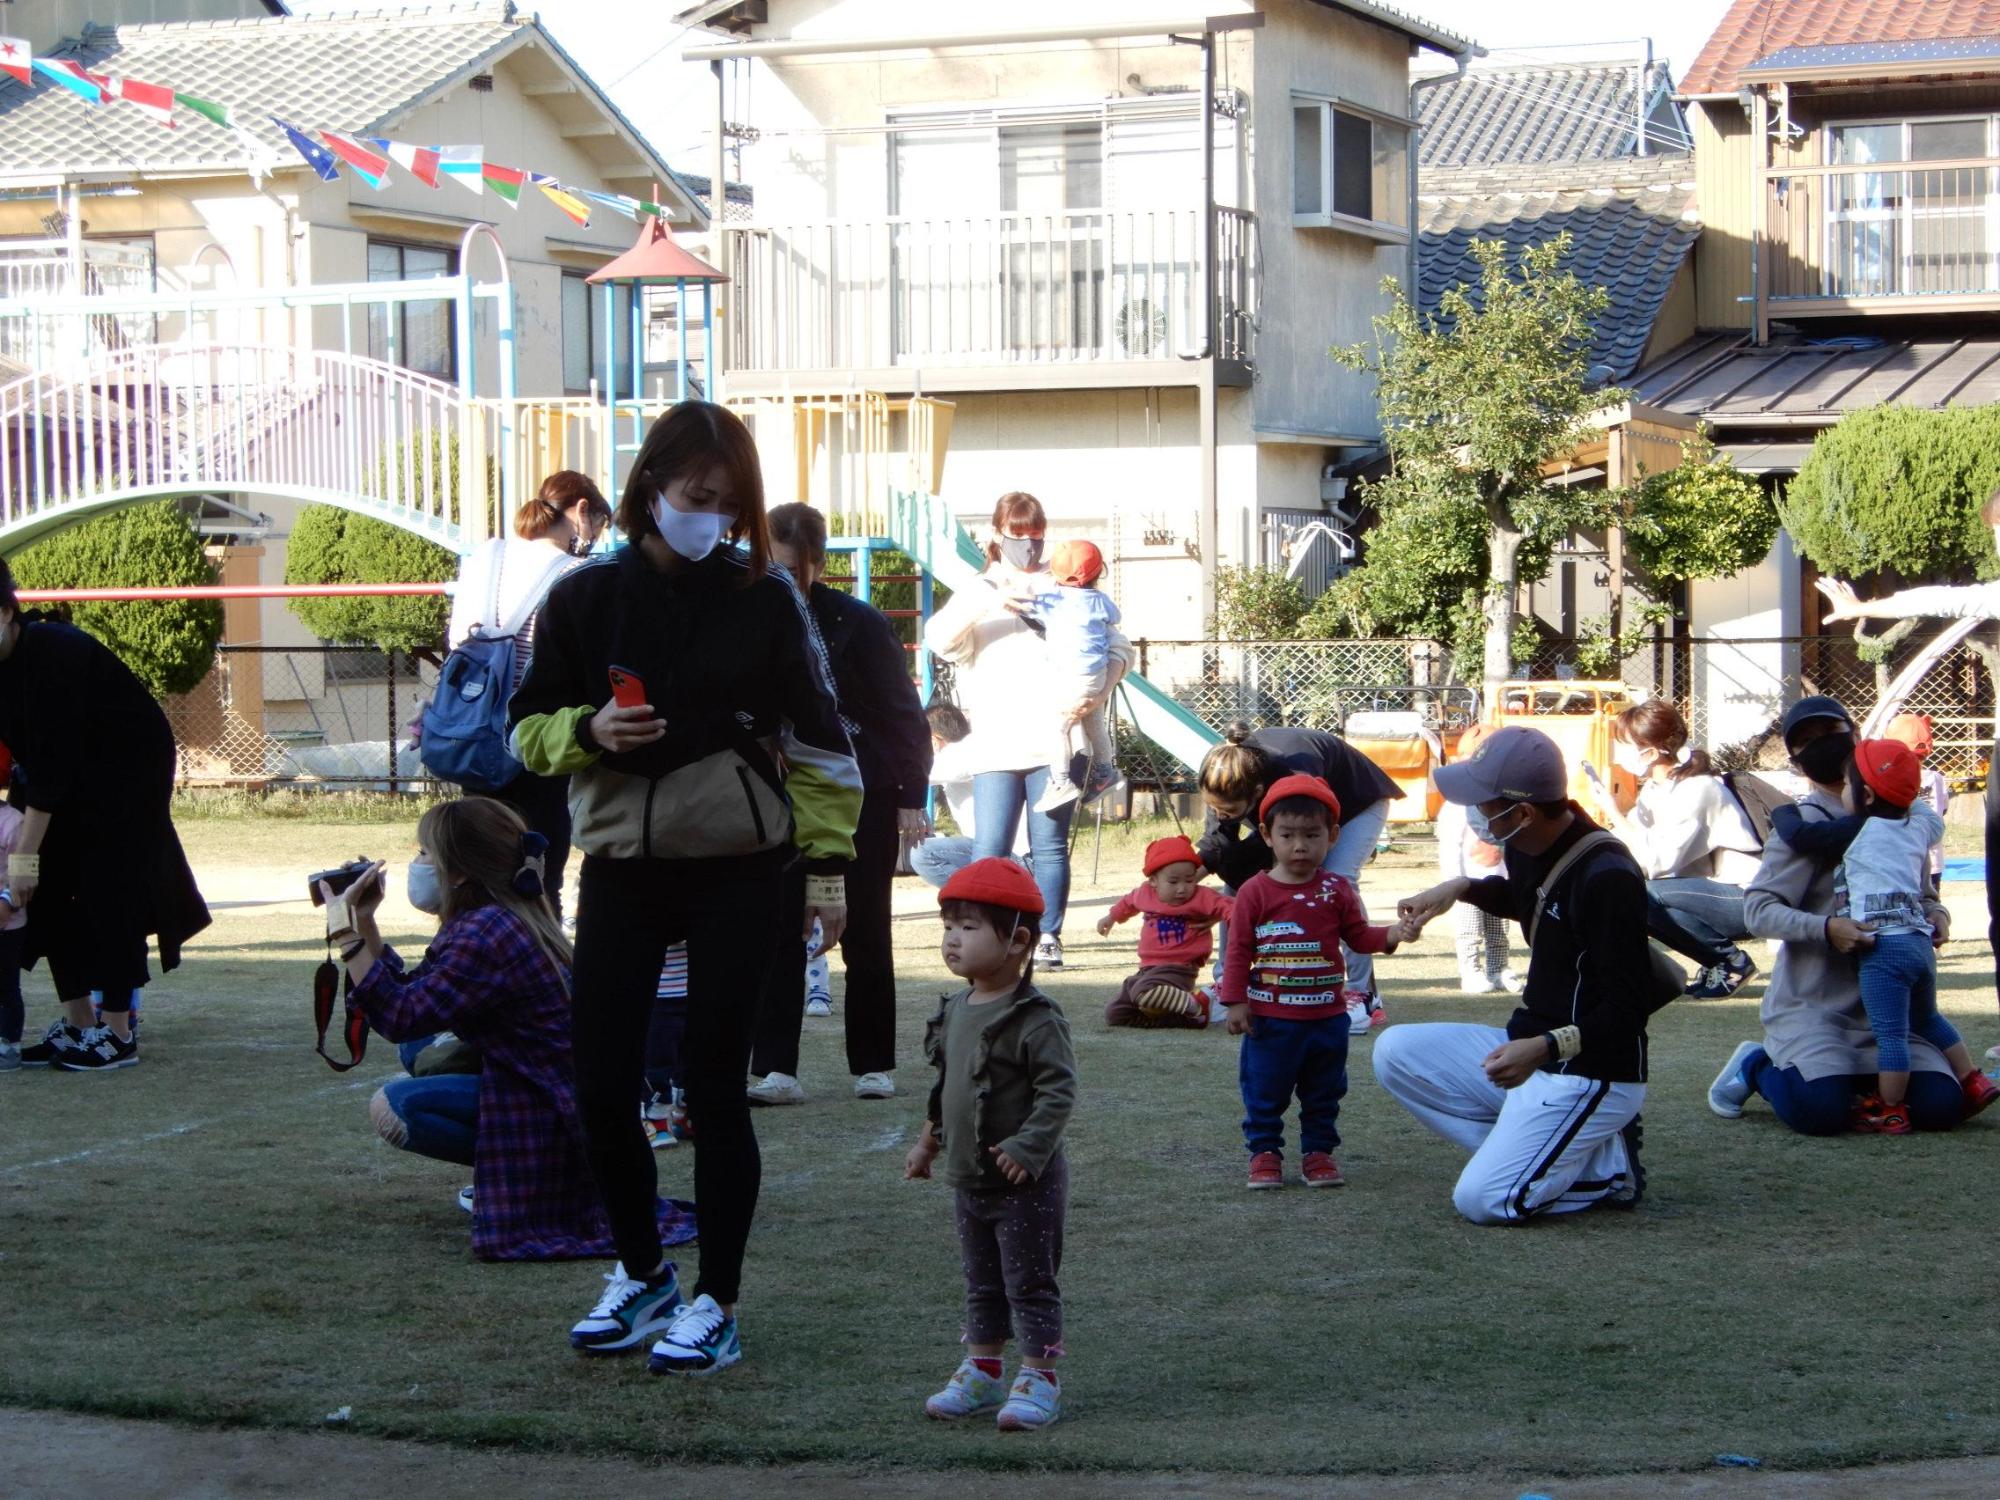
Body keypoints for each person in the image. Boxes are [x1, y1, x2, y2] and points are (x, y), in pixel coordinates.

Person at [508, 401, 863, 1376]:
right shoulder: (584, 598)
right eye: (691, 496)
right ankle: (639, 1271)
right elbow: (523, 725)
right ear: (648, 489)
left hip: (742, 873)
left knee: (715, 1088)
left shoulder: (765, 598)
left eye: (725, 501)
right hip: (621, 869)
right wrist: (587, 733)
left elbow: (825, 741)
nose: (707, 515)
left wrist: (825, 871)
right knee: (601, 1084)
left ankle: (716, 1297)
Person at [325, 799, 695, 1261]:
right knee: (419, 1049)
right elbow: (413, 999)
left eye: (425, 853)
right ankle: (520, 1173)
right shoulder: (499, 915)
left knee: (394, 1108)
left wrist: (345, 936)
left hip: (549, 1111)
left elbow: (399, 1015)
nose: (416, 864)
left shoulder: (484, 933)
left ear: (459, 872)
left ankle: (528, 1178)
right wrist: (365, 920)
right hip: (560, 1094)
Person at [1382, 727, 1649, 1224]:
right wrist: (1460, 887)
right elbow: (1536, 903)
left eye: (1485, 803)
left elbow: (1626, 1010)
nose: (1476, 813)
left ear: (1522, 812)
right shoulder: (1533, 843)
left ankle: (1607, 1171)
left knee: (1483, 1202)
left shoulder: (1608, 875)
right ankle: (1543, 1153)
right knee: (1394, 1052)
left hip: (1590, 1072)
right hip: (1530, 1049)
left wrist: (1543, 1047)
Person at [1707, 697, 1967, 1135]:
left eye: (1829, 732)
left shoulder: (1899, 816)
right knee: (1819, 1112)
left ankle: (1855, 1083)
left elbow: (1923, 894)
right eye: (1806, 742)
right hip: (1816, 1010)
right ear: (1796, 762)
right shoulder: (1801, 828)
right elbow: (1758, 910)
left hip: (1893, 1007)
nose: (1821, 747)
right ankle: (1758, 1065)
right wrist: (1826, 929)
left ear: (1855, 733)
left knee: (1944, 1108)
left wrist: (1936, 915)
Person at [749, 503, 932, 1106]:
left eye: (799, 568)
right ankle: (776, 1067)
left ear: (820, 563)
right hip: (778, 793)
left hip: (863, 790)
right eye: (777, 566)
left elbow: (902, 710)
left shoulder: (858, 621)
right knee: (777, 925)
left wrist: (911, 793)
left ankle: (874, 1064)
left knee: (867, 925)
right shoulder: (750, 616)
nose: (789, 579)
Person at [0, 559, 210, 1072]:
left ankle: (117, 1033)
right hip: (59, 774)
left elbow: (52, 766)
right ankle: (79, 1025)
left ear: (6, 612)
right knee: (46, 894)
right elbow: (38, 769)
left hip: (126, 774)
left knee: (109, 887)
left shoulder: (53, 652)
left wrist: (21, 861)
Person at [922, 492, 1131, 969]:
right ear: (998, 535)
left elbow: (1118, 645)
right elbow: (941, 638)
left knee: (1050, 845)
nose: (1031, 547)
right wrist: (995, 598)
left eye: (1038, 537)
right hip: (997, 740)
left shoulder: (1065, 583)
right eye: (1019, 536)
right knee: (989, 846)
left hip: (1055, 736)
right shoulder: (980, 588)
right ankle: (984, 934)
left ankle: (1049, 936)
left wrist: (1101, 688)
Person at [904, 858, 1076, 1432]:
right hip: (968, 1176)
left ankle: (1039, 1377)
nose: (953, 939)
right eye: (949, 925)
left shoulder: (1035, 1016)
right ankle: (983, 1370)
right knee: (981, 1281)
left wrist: (1029, 1148)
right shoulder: (954, 1009)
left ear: (1018, 941)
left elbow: (1058, 1092)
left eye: (970, 927)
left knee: (1028, 1281)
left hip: (1024, 1182)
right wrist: (928, 1143)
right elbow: (947, 1088)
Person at [1761, 739, 1996, 1132]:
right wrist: (1824, 928)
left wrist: (1783, 811)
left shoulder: (1856, 833)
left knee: (1897, 1044)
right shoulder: (1918, 824)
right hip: (1909, 952)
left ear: (1865, 794)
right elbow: (1758, 909)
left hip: (1884, 952)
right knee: (1926, 1019)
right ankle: (1972, 1076)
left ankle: (1889, 1107)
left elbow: (1801, 835)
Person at [1221, 775, 1412, 1189]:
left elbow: (1358, 936)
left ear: (1334, 836)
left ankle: (1318, 1152)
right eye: (1287, 835)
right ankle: (1264, 1153)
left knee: (1324, 1091)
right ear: (1268, 835)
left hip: (1327, 1017)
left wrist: (1393, 934)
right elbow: (1237, 950)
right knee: (1264, 1090)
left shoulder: (1337, 890)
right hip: (1271, 1019)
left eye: (1312, 834)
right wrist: (1235, 1001)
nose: (1300, 846)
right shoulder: (1255, 892)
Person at [446, 475, 610, 920]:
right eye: (597, 525)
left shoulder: (487, 556)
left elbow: (457, 642)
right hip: (536, 741)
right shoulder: (574, 575)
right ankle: (544, 981)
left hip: (473, 736)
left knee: (476, 876)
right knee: (539, 881)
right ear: (581, 511)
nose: (594, 538)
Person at [1196, 720, 1403, 1033]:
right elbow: (1217, 848)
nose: (1221, 814)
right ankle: (1227, 982)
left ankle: (1363, 994)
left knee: (1336, 881)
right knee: (1236, 884)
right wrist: (1178, 881)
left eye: (1230, 811)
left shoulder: (1295, 774)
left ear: (1256, 793)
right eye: (1215, 808)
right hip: (1289, 811)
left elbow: (1307, 831)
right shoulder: (1223, 771)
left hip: (1354, 802)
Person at [1591, 700, 1763, 1000]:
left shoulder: (1698, 788)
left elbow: (1656, 860)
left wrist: (1615, 814)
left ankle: (1730, 961)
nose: (1618, 751)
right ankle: (1716, 963)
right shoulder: (1657, 789)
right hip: (1709, 889)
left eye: (1625, 743)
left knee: (1641, 893)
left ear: (1652, 750)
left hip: (1746, 895)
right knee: (1626, 891)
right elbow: (1633, 850)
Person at [1096, 834, 1233, 1029]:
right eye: (1173, 882)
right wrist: (1111, 918)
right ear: (1153, 881)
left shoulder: (1202, 896)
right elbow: (1129, 902)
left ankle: (1197, 1006)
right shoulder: (1145, 893)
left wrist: (1227, 921)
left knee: (1144, 992)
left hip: (1179, 967)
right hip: (1148, 968)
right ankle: (1182, 1020)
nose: (1182, 889)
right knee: (1116, 1012)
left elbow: (1232, 907)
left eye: (1189, 880)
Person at [1029, 540, 1120, 814]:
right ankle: (1105, 772)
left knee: (1057, 727)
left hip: (1070, 676)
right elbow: (1115, 617)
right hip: (1097, 675)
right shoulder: (1101, 601)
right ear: (1097, 573)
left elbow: (1029, 610)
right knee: (1094, 722)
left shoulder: (1051, 599)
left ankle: (1060, 781)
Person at [1434, 723, 1520, 996]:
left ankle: (1498, 968)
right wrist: (1454, 879)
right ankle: (1470, 971)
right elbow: (1450, 842)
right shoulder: (1458, 804)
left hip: (1498, 877)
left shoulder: (1507, 801)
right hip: (1467, 882)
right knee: (1470, 931)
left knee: (1498, 929)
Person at [909, 703, 1029, 889]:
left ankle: (976, 897)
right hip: (1007, 851)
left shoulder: (958, 754)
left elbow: (915, 776)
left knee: (923, 854)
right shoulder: (971, 748)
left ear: (933, 740)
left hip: (1011, 855)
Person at [1884, 712, 1951, 878]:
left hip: (1902, 858)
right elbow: (1943, 810)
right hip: (1932, 859)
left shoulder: (1889, 779)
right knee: (1931, 900)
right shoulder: (1936, 778)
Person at [0, 755, 24, 1072]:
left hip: (8, 923)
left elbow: (25, 873)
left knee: (6, 986)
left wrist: (8, 900)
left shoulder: (14, 823)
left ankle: (9, 1044)